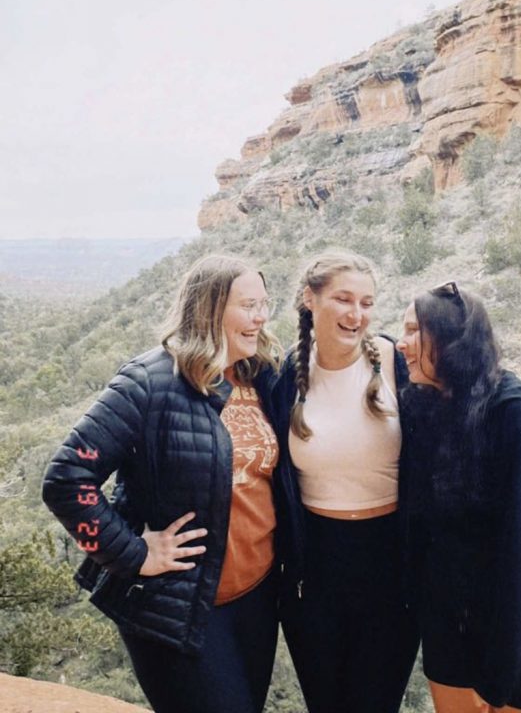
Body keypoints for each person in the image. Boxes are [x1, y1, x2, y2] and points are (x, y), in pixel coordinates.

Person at [42, 254, 283, 713]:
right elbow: (66, 479)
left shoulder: (260, 376)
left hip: (255, 600)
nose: (261, 317)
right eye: (249, 305)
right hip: (177, 608)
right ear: (210, 309)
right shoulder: (149, 382)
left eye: (264, 304)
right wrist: (135, 554)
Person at [397, 281, 521, 713]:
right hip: (452, 636)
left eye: (413, 331)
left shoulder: (517, 417)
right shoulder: (429, 408)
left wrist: (498, 676)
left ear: (450, 341)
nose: (401, 344)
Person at [272, 249, 419, 713]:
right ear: (309, 300)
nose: (357, 314)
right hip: (313, 571)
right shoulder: (283, 377)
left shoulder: (396, 363)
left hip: (391, 565)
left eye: (367, 302)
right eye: (343, 299)